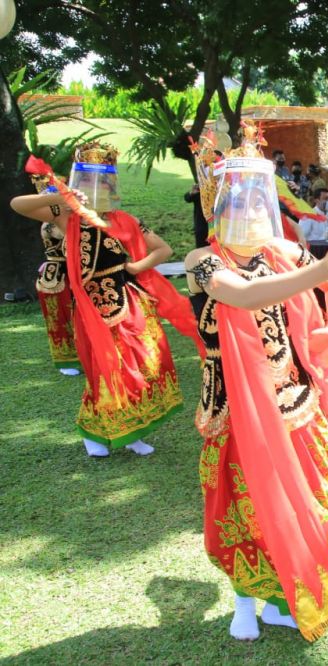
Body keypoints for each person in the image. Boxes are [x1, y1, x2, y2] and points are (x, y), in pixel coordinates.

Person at [183, 132, 328, 641]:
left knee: (318, 500)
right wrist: (322, 270)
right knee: (249, 511)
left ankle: (291, 591)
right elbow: (240, 296)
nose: (250, 209)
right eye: (237, 198)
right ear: (215, 203)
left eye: (255, 197)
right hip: (239, 412)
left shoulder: (283, 251)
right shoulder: (204, 261)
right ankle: (247, 602)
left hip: (293, 399)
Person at [14, 142, 203, 458]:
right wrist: (62, 196)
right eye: (90, 180)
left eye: (104, 180)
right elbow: (18, 204)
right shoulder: (68, 217)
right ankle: (94, 432)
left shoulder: (126, 220)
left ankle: (132, 429)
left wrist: (135, 266)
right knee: (107, 371)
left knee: (145, 366)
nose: (97, 187)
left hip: (130, 303)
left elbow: (163, 249)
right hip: (92, 308)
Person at [27, 174, 80, 375]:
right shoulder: (51, 222)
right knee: (61, 318)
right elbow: (68, 235)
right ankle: (67, 360)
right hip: (58, 276)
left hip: (75, 272)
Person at [184, 182, 210, 248]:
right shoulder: (201, 190)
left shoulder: (219, 190)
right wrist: (192, 192)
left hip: (216, 225)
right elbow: (188, 198)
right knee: (201, 248)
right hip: (201, 225)